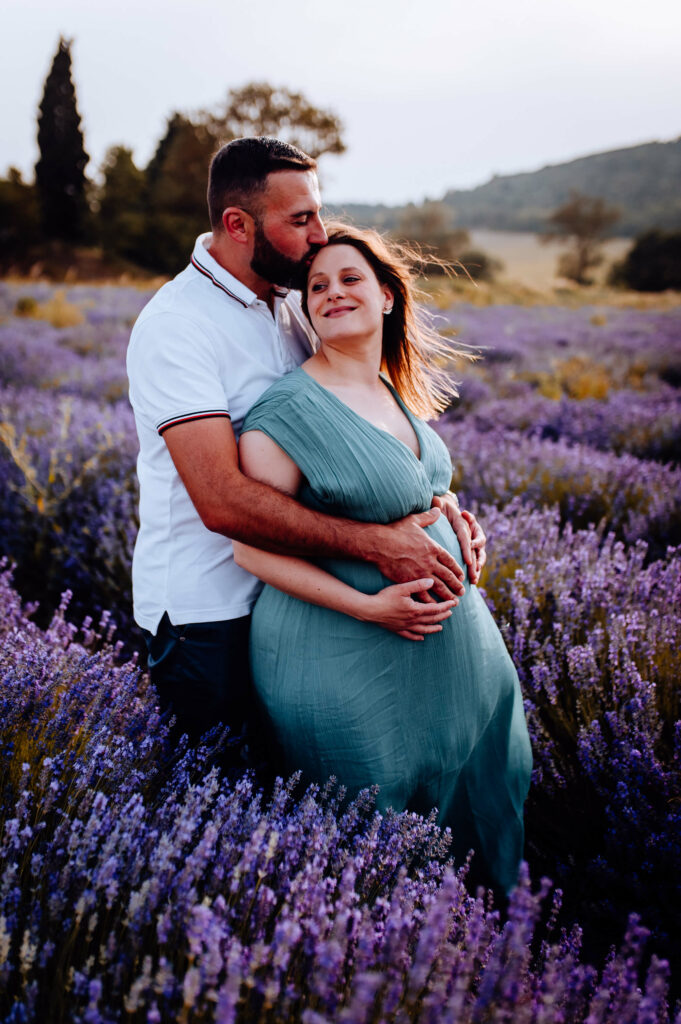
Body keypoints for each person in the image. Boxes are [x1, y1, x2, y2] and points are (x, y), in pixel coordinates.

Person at [126, 137, 485, 757]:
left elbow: (345, 440)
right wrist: (380, 543)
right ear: (237, 225)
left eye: (317, 213)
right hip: (210, 616)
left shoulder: (297, 302)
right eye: (300, 220)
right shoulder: (177, 327)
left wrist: (437, 509)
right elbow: (222, 502)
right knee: (224, 797)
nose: (320, 234)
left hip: (306, 605)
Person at [234, 223, 532, 893]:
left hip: (454, 670)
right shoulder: (284, 412)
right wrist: (369, 606)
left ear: (388, 296)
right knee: (371, 845)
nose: (332, 293)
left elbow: (406, 489)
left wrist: (453, 516)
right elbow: (249, 545)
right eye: (317, 287)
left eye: (350, 279)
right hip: (346, 657)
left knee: (478, 823)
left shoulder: (389, 388)